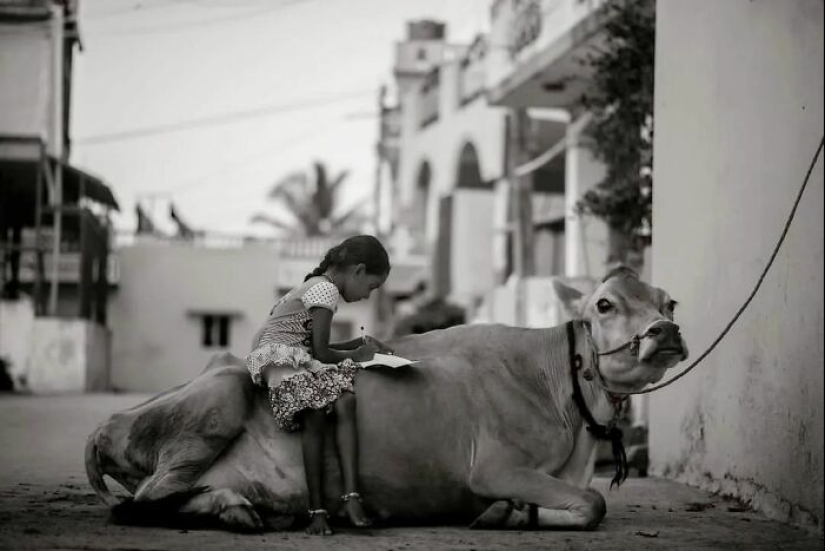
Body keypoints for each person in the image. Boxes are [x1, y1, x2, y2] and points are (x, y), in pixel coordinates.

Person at [246, 235, 392, 535]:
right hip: (283, 366)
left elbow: (314, 345)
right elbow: (323, 353)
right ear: (358, 271)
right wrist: (358, 354)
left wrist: (357, 344)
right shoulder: (325, 290)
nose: (367, 296)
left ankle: (351, 497)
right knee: (316, 411)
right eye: (371, 287)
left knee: (346, 401)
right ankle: (317, 510)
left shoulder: (314, 286)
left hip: (293, 358)